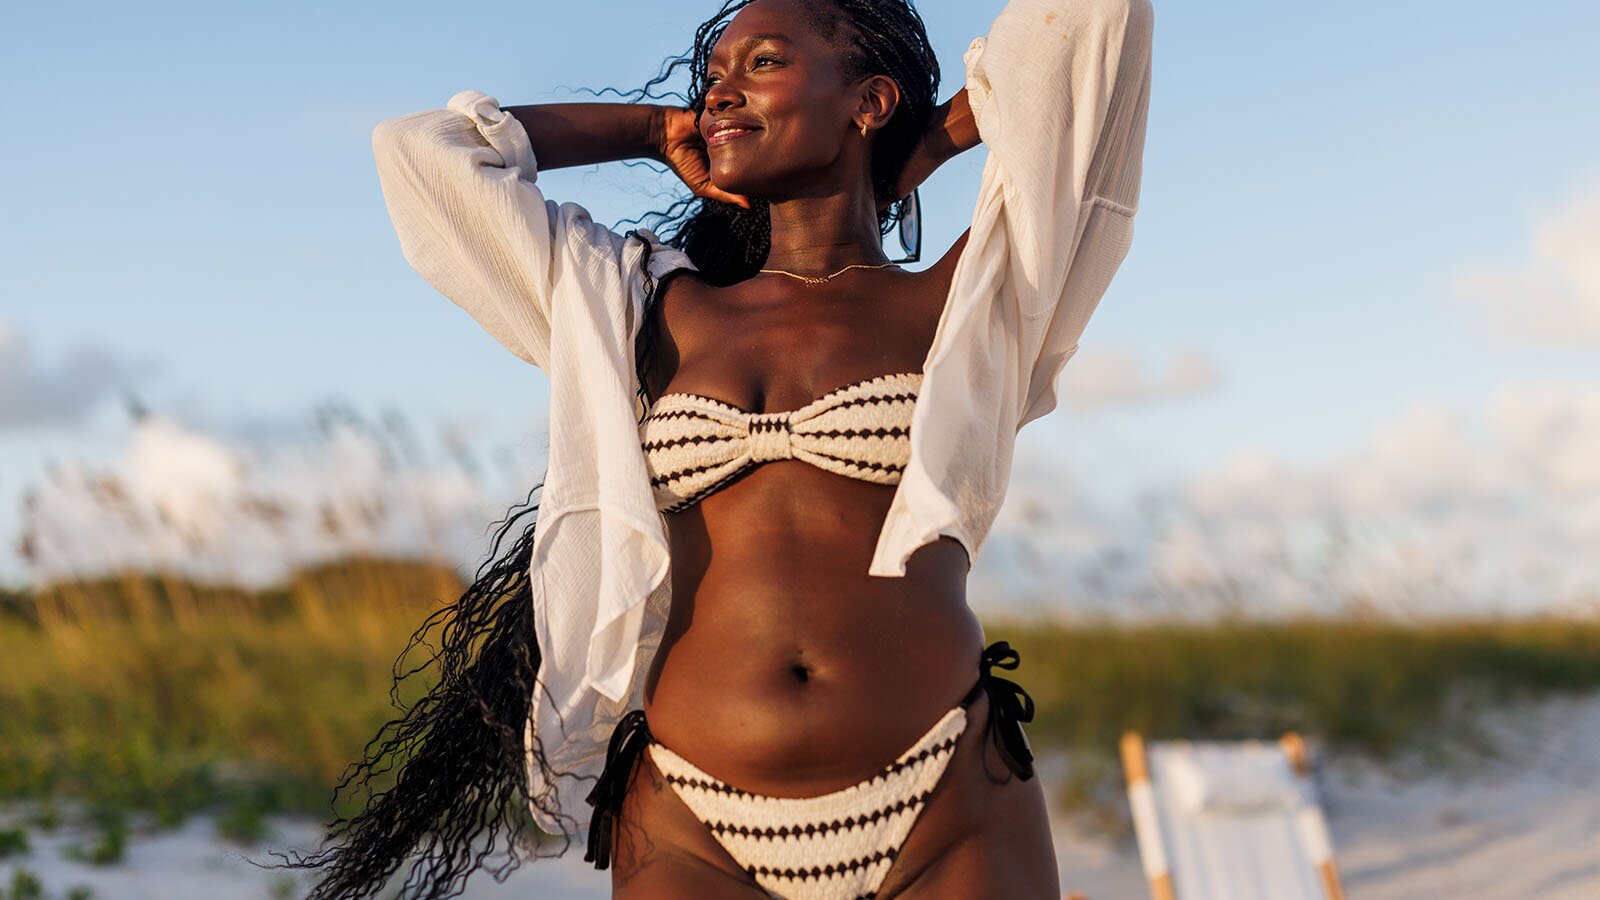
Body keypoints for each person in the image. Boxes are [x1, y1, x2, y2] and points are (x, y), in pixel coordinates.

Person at [291, 0, 1152, 897]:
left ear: (869, 100)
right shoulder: (635, 306)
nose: (721, 95)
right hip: (692, 823)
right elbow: (420, 151)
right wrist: (652, 128)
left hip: (945, 805)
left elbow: (1093, 26)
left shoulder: (970, 300)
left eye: (765, 63)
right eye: (713, 79)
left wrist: (928, 141)